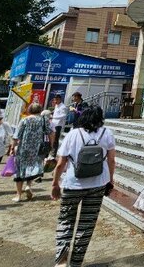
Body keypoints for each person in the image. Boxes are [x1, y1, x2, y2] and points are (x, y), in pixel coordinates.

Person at [52, 107, 116, 267]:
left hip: (73, 183)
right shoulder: (106, 133)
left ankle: (61, 260)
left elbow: (61, 163)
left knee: (66, 220)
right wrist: (110, 180)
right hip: (98, 183)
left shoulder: (73, 134)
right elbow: (112, 160)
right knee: (86, 225)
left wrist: (55, 183)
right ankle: (76, 262)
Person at [11, 102, 50, 202]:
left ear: (29, 110)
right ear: (40, 110)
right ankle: (28, 185)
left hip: (23, 148)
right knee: (31, 167)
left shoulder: (24, 120)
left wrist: (12, 147)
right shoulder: (43, 120)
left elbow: (16, 136)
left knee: (19, 170)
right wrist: (51, 145)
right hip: (37, 148)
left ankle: (18, 195)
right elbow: (49, 132)